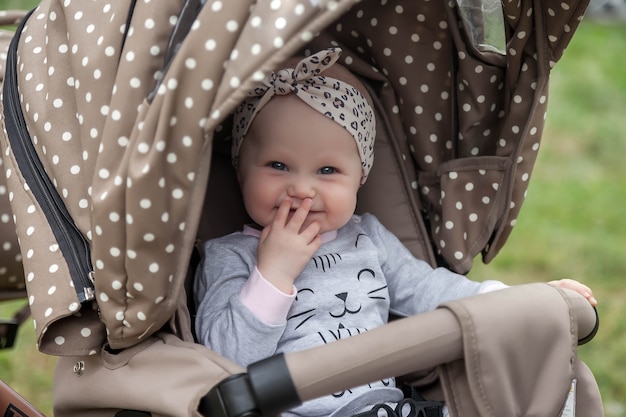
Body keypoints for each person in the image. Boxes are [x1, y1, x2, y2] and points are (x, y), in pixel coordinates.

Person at [193, 48, 597, 417]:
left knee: (546, 384)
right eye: (278, 165)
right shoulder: (231, 255)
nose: (302, 188)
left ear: (359, 180)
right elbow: (224, 361)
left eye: (328, 171)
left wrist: (522, 301)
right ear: (240, 169)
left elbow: (430, 290)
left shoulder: (366, 238)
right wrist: (272, 276)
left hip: (385, 408)